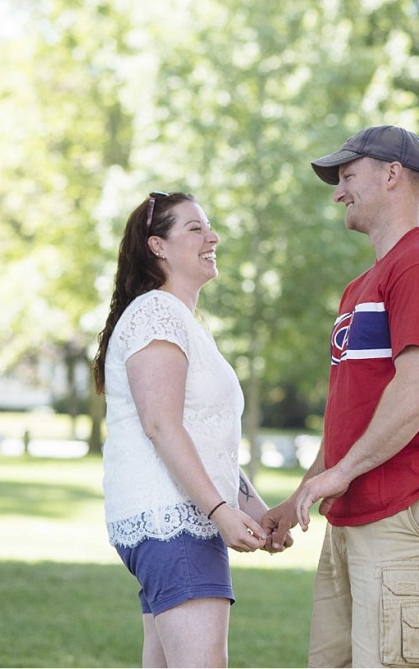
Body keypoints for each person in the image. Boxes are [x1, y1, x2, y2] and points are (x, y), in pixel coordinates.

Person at [262, 126, 419, 668]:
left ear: (391, 175)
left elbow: (418, 389)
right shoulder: (362, 286)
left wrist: (342, 473)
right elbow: (349, 413)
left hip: (407, 513)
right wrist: (305, 491)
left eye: (347, 176)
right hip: (355, 514)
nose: (338, 192)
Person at [93, 191, 291, 668]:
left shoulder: (177, 318)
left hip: (177, 523)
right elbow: (161, 425)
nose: (213, 237)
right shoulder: (156, 313)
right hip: (174, 523)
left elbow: (203, 440)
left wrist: (254, 509)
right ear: (157, 246)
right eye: (195, 228)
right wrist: (221, 512)